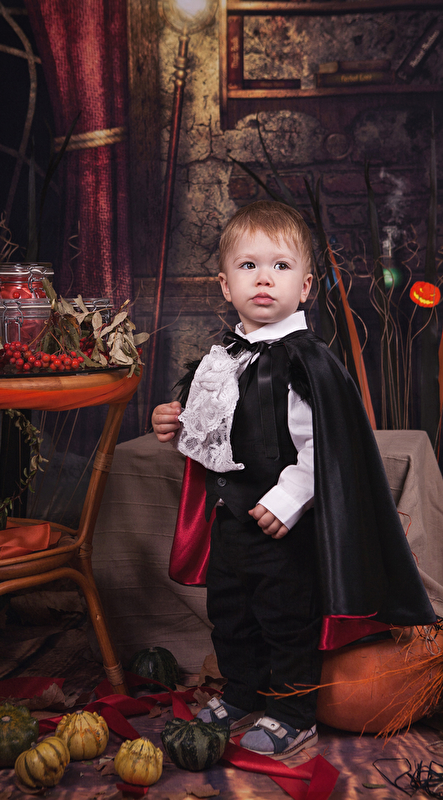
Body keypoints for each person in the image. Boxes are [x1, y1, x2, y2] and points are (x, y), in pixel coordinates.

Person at [151, 200, 435, 761]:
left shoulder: (307, 363)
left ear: (304, 287)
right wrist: (175, 421)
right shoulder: (221, 357)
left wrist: (287, 500)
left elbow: (326, 448)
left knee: (285, 621)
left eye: (280, 266)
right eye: (248, 266)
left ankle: (292, 713)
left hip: (284, 530)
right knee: (230, 616)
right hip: (230, 522)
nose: (264, 278)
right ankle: (241, 694)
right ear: (225, 285)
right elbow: (215, 428)